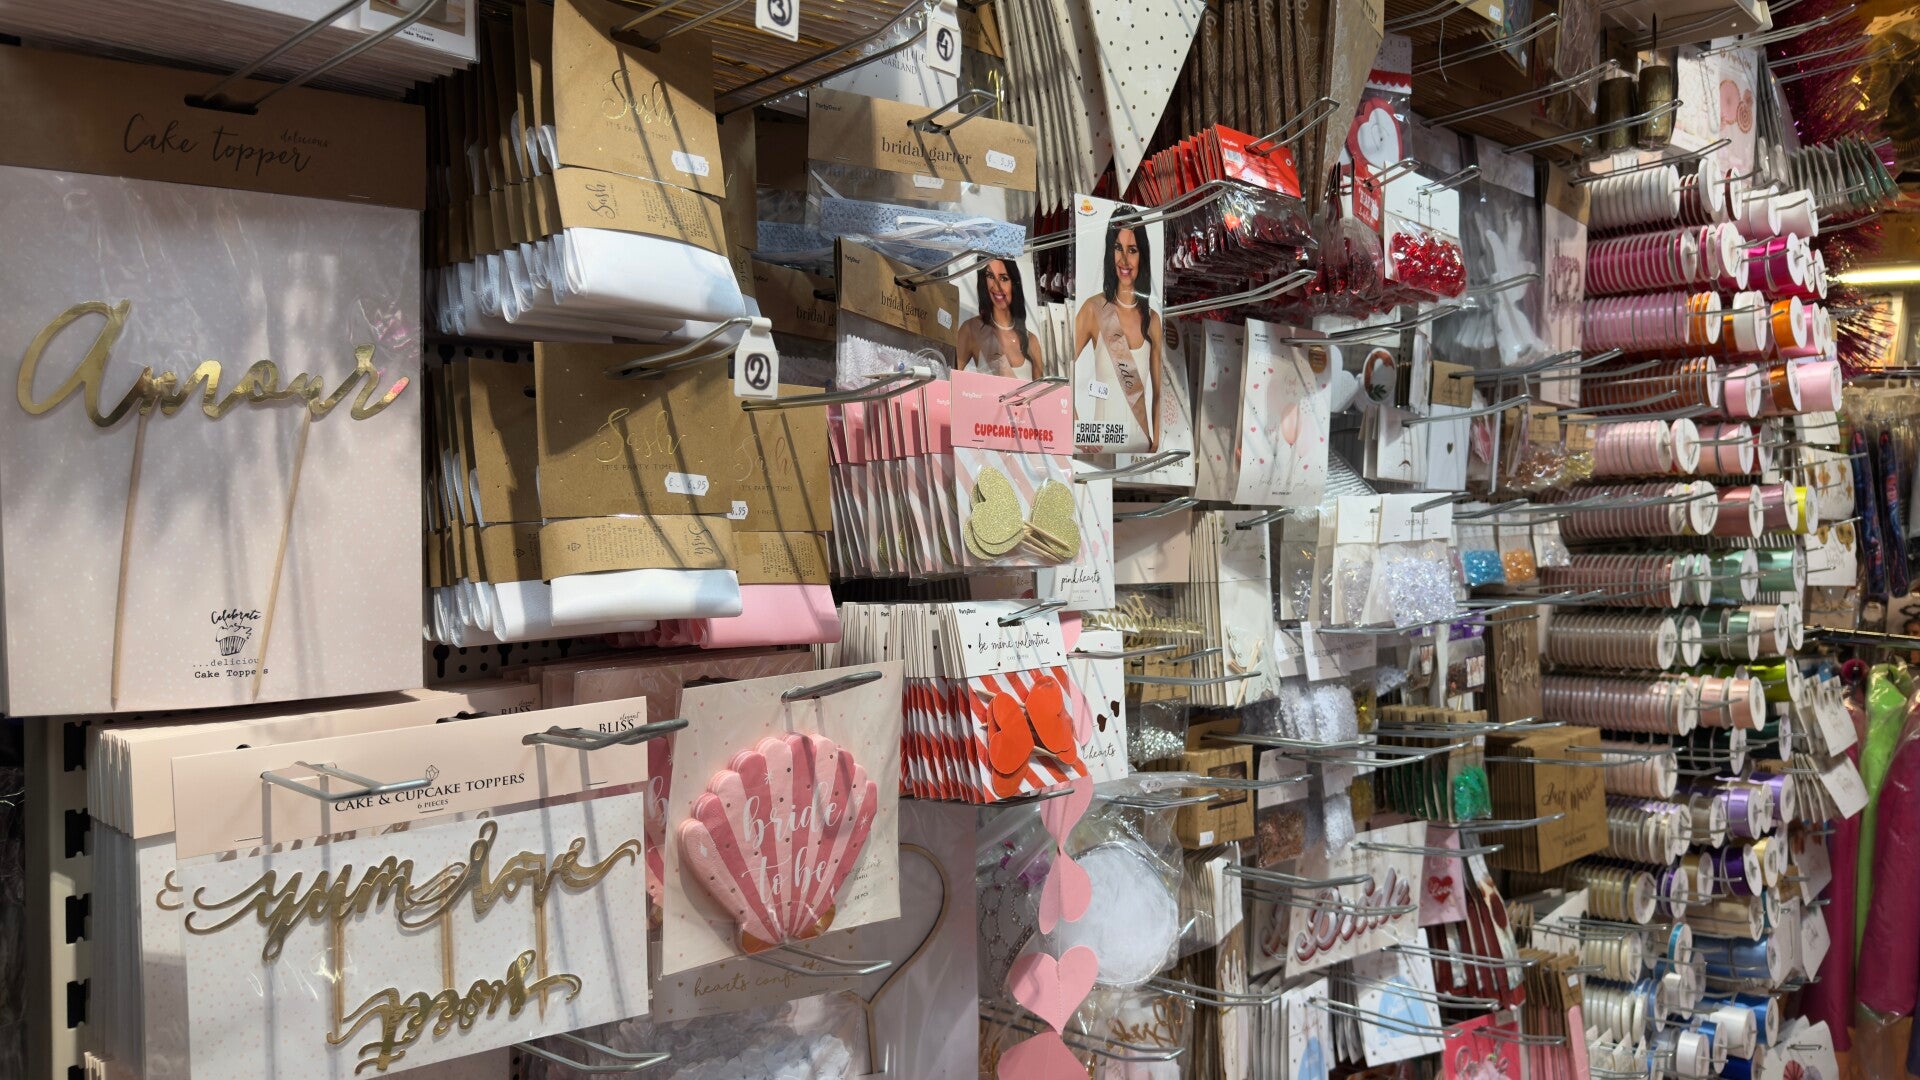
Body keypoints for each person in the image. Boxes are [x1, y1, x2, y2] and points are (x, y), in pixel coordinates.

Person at [1073, 214, 1162, 449]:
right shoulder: (1093, 309)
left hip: (1139, 450)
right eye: (1117, 248)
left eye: (1132, 250)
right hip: (1101, 451)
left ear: (1142, 255)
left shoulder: (1152, 320)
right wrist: (1077, 429)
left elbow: (1160, 394)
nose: (1124, 259)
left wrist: (1155, 445)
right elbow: (1060, 371)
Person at [956, 258, 1043, 381]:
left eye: (1004, 278)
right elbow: (949, 379)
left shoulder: (1031, 341)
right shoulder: (971, 329)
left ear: (1014, 284)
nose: (997, 287)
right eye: (990, 276)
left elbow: (1041, 391)